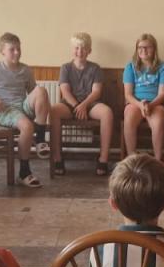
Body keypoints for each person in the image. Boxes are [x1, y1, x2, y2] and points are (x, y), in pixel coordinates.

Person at [0, 31, 52, 188]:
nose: (17, 52)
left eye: (19, 49)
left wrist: (41, 105)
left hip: (22, 107)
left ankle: (40, 139)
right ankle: (24, 173)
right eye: (12, 49)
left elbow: (34, 93)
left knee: (41, 90)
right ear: (2, 51)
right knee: (27, 126)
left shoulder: (25, 70)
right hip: (6, 111)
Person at [49, 31, 115, 177]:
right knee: (53, 110)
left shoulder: (95, 68)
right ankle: (57, 158)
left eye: (84, 48)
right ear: (72, 49)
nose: (80, 51)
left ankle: (103, 160)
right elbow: (65, 91)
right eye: (77, 48)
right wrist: (76, 106)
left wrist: (84, 105)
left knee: (107, 113)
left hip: (90, 104)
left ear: (89, 50)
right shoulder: (65, 68)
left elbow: (96, 92)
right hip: (69, 104)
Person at [121, 33, 164, 164]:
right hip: (135, 103)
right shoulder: (130, 67)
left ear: (154, 49)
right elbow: (128, 94)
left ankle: (158, 161)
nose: (143, 50)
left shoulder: (163, 67)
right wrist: (140, 105)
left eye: (147, 47)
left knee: (158, 121)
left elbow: (162, 94)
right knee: (129, 117)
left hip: (156, 103)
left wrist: (150, 105)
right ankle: (131, 159)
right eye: (140, 47)